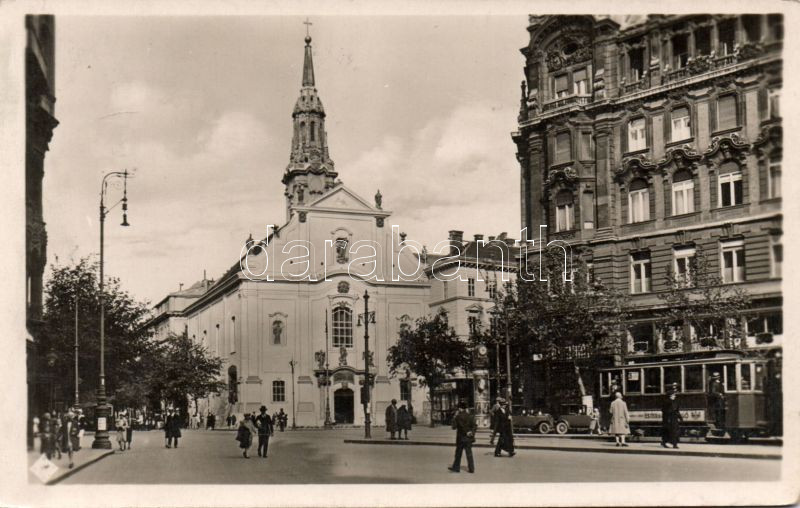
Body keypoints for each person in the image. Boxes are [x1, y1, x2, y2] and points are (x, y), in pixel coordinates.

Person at [448, 401, 476, 473]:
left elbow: (454, 427)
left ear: (460, 408)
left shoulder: (458, 416)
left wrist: (454, 417)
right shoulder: (470, 416)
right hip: (468, 438)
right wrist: (471, 432)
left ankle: (456, 468)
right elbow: (474, 426)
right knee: (469, 454)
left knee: (458, 454)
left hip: (460, 438)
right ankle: (471, 468)